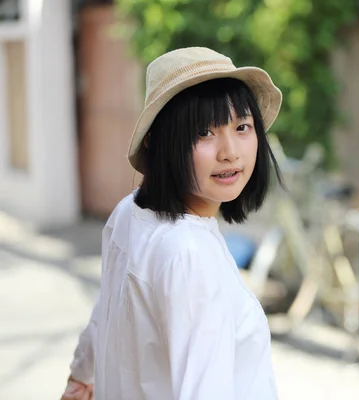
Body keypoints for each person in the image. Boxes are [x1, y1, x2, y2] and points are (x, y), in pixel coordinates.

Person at [60, 46, 283, 400]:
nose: (230, 151)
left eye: (242, 126)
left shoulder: (130, 212)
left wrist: (82, 375)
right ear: (161, 143)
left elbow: (106, 309)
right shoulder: (190, 254)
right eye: (203, 133)